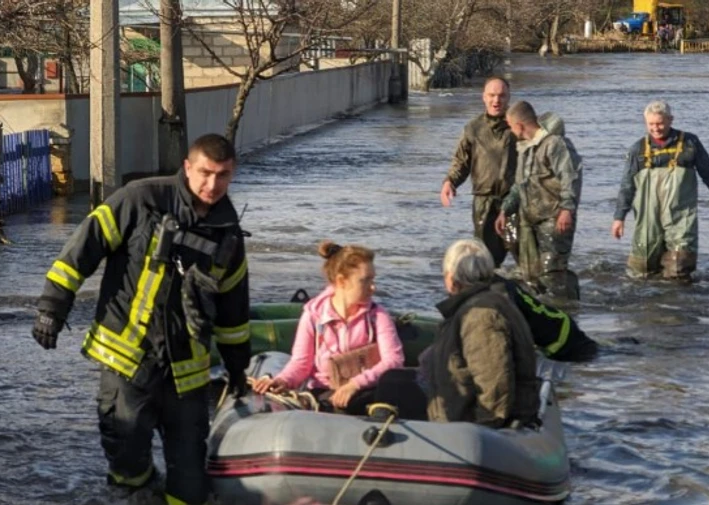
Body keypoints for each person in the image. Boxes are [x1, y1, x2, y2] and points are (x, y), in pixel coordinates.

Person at [31, 134, 251, 505]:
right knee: (127, 462)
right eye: (205, 173)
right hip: (128, 361)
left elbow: (234, 309)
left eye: (223, 175)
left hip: (187, 372)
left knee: (191, 482)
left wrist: (238, 369)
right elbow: (83, 247)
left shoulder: (228, 233)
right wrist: (52, 308)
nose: (213, 185)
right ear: (187, 167)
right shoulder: (141, 199)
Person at [251, 241, 405, 415]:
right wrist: (283, 380)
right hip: (324, 392)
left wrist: (355, 384)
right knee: (337, 406)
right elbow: (301, 363)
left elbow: (394, 360)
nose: (373, 287)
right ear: (341, 281)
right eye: (365, 280)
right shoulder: (313, 316)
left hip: (366, 390)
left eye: (373, 279)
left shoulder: (377, 316)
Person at [611, 100, 709, 281]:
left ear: (670, 120)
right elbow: (627, 186)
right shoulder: (637, 149)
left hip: (681, 215)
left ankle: (680, 297)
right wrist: (619, 218)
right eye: (651, 124)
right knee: (641, 269)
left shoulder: (689, 143)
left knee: (680, 266)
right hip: (648, 217)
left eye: (660, 123)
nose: (655, 128)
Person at [420, 238, 540, 426]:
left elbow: (494, 387)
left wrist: (481, 429)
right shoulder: (489, 303)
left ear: (451, 278)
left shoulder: (480, 316)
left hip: (472, 428)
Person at [495, 102, 583, 300]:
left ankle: (567, 307)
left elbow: (571, 177)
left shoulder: (555, 144)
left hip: (554, 219)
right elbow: (519, 185)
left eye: (510, 126)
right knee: (532, 275)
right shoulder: (525, 148)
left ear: (519, 125)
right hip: (530, 220)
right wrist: (505, 210)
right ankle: (547, 306)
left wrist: (567, 209)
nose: (511, 131)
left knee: (552, 273)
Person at [439, 77, 518, 267]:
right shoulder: (473, 129)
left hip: (516, 202)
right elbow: (461, 162)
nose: (496, 100)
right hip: (484, 202)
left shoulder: (518, 127)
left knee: (526, 258)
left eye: (502, 96)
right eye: (492, 95)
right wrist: (450, 182)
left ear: (509, 97)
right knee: (486, 261)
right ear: (484, 97)